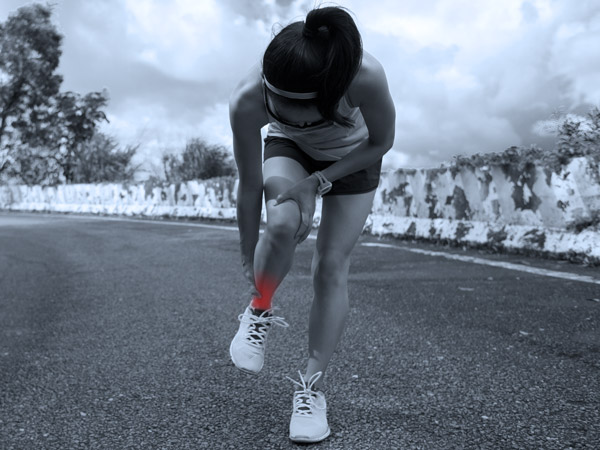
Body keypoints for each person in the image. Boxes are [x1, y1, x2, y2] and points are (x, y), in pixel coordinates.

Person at [228, 5, 395, 444]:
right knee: (281, 224)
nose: (276, 112)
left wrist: (319, 181)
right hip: (292, 151)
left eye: (292, 110)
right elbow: (249, 186)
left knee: (330, 265)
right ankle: (258, 309)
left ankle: (311, 388)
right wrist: (249, 255)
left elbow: (382, 141)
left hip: (354, 158)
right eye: (274, 105)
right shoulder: (249, 98)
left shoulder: (366, 77)